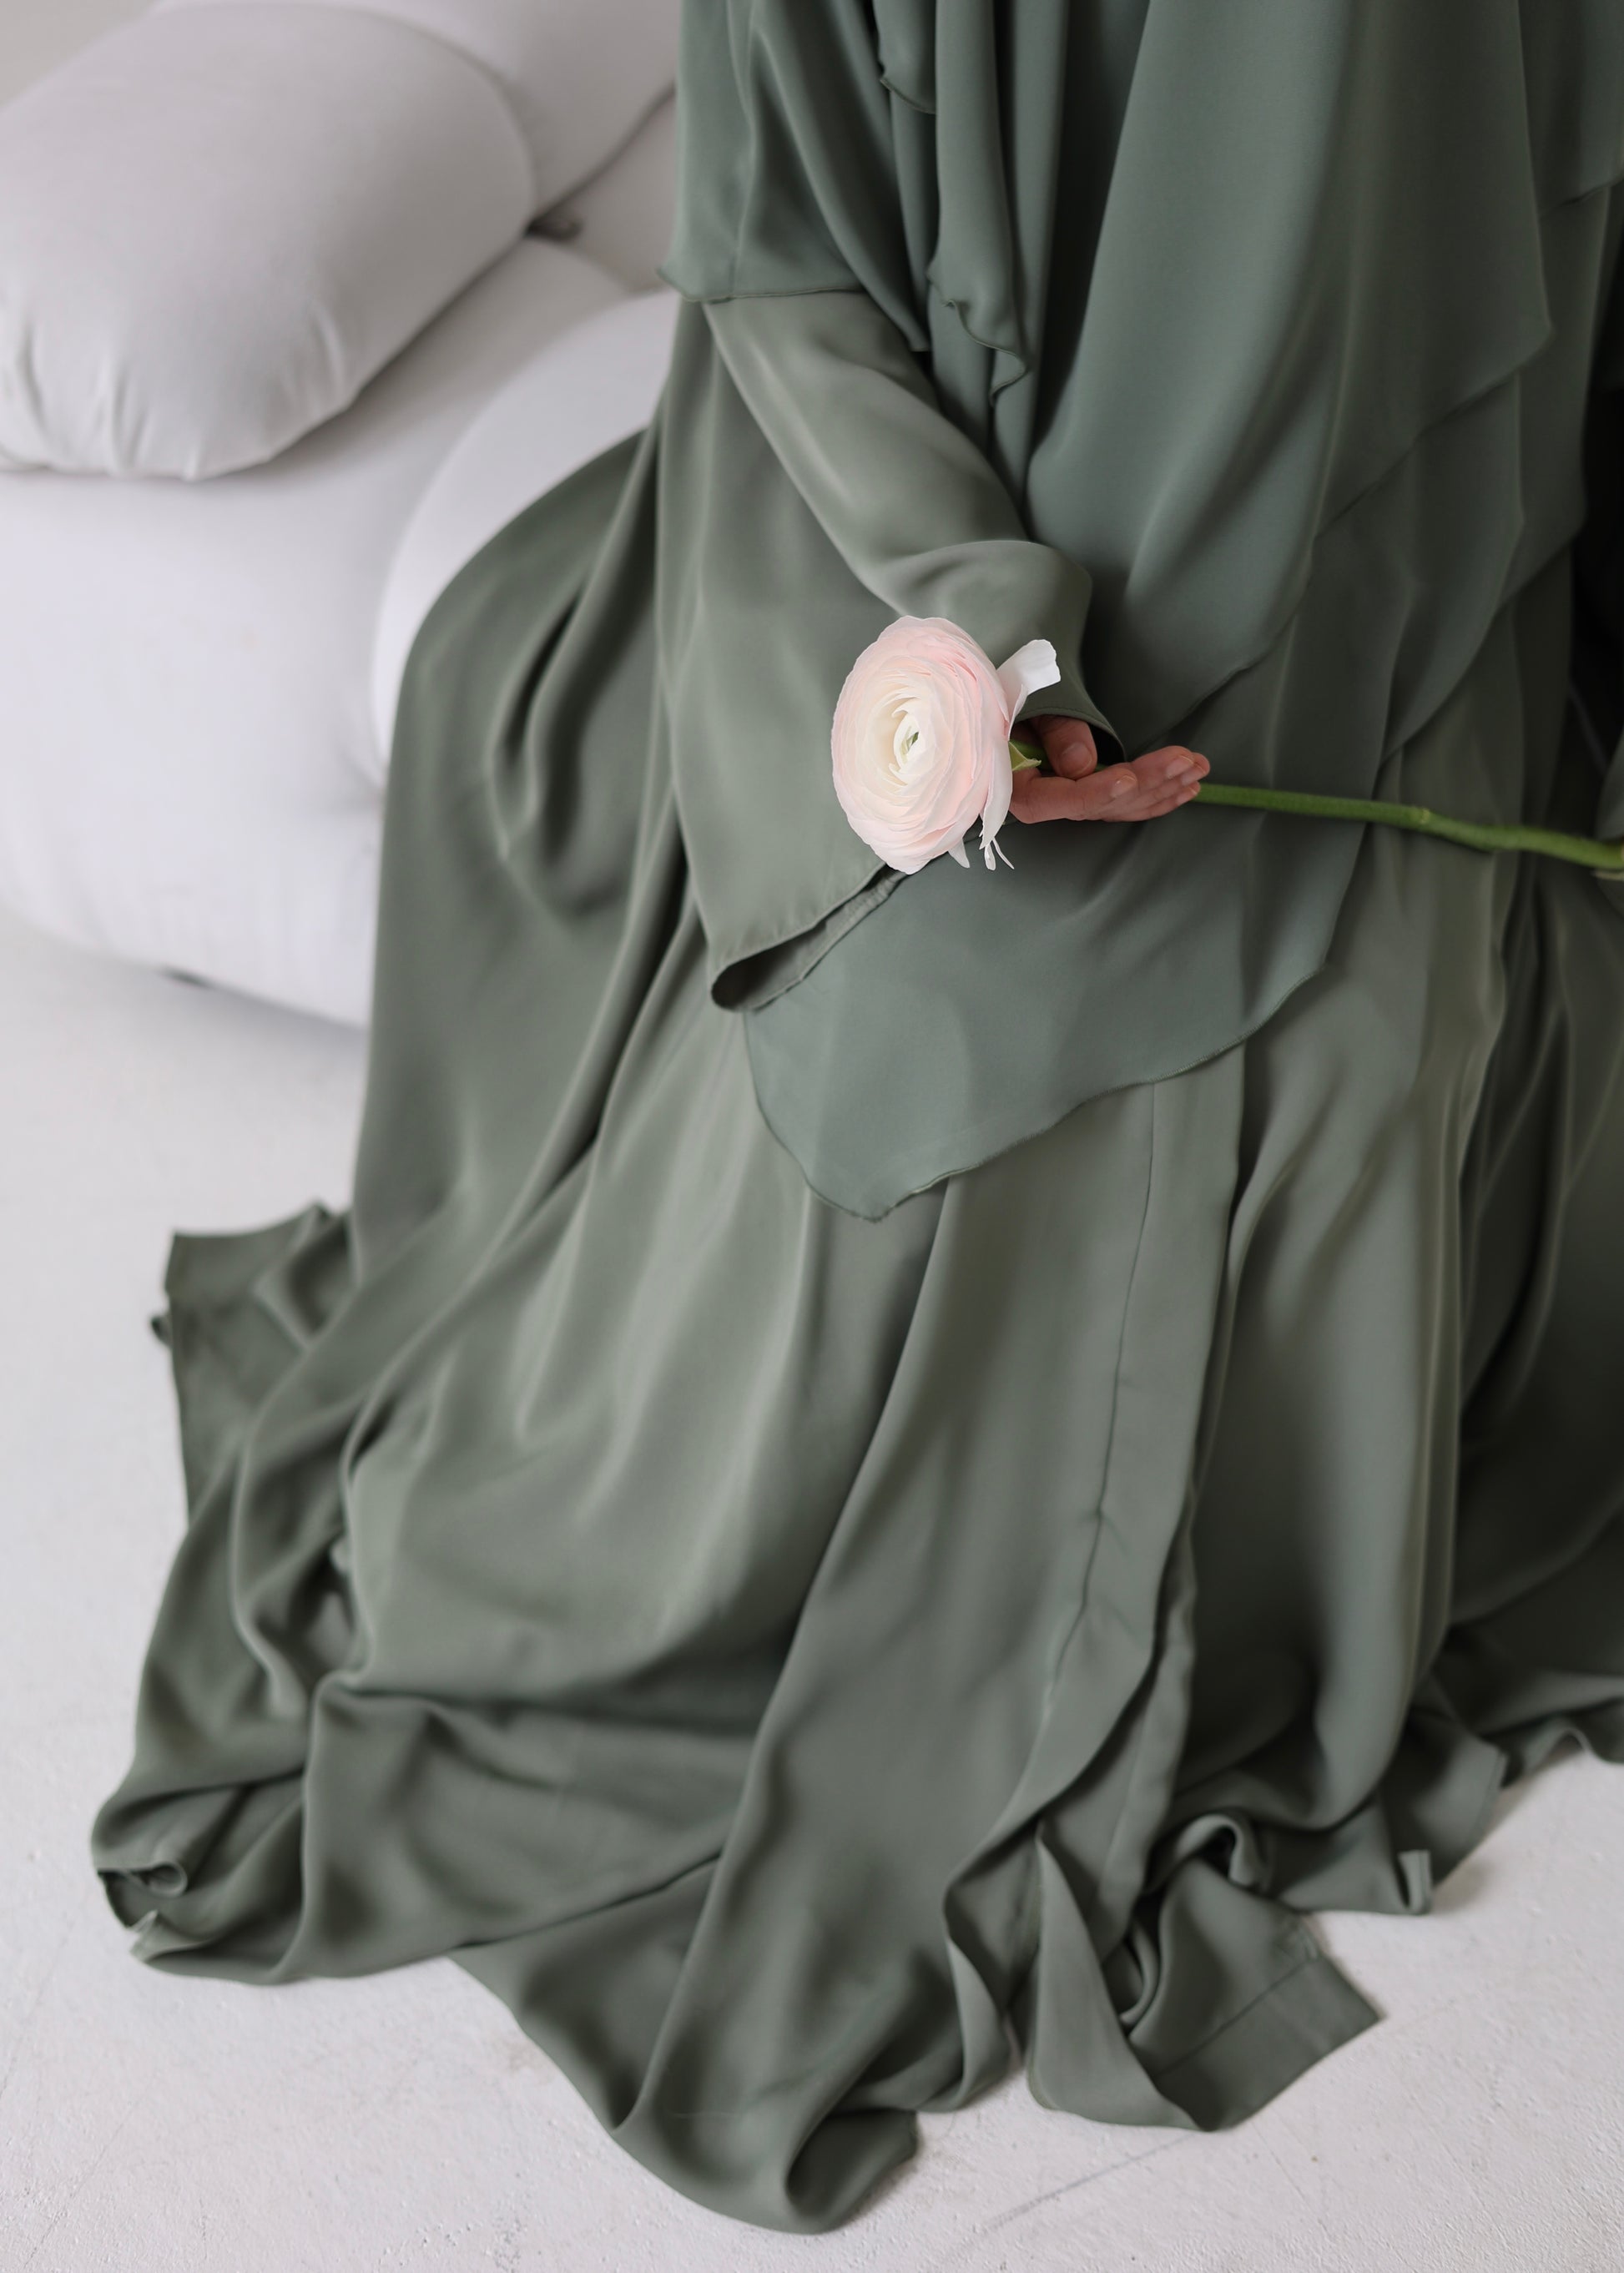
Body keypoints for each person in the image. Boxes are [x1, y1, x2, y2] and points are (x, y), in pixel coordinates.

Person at [93, 0, 1624, 2234]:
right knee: (903, 1114)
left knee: (1349, 1059)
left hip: (1398, 578)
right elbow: (790, 250)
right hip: (903, 544)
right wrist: (985, 634)